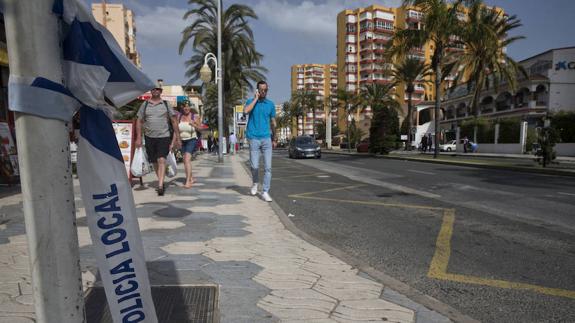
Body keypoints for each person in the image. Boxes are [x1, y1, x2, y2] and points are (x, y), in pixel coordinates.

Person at [135, 86, 181, 196]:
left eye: (157, 89)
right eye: (153, 89)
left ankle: (160, 185)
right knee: (154, 161)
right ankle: (161, 179)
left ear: (161, 91)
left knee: (161, 159)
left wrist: (178, 138)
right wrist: (138, 137)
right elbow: (139, 121)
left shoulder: (166, 104)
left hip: (164, 136)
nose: (155, 91)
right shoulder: (145, 104)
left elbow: (174, 121)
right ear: (151, 91)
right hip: (149, 137)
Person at [245, 80, 276, 202]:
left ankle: (265, 191)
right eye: (261, 90)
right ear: (257, 90)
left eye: (266, 90)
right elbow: (246, 111)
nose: (264, 92)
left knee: (268, 168)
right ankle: (255, 183)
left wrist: (275, 137)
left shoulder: (270, 104)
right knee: (254, 166)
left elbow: (273, 122)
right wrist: (255, 99)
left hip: (266, 138)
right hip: (253, 138)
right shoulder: (250, 102)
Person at [178, 101, 201, 188]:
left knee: (187, 159)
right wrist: (175, 141)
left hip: (191, 140)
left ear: (190, 108)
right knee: (185, 161)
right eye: (184, 107)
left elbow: (200, 129)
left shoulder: (194, 116)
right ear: (182, 108)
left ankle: (188, 182)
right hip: (182, 140)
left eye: (188, 107)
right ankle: (191, 177)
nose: (186, 108)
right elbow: (176, 129)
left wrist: (194, 125)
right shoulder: (179, 116)